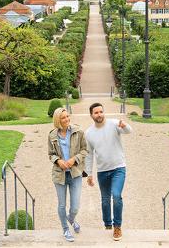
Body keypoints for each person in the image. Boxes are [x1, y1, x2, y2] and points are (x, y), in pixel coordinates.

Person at [85, 102, 132, 241]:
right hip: (102, 171)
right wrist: (89, 173)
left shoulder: (114, 123)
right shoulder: (89, 133)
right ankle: (107, 223)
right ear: (91, 115)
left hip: (118, 168)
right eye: (96, 112)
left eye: (101, 112)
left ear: (103, 112)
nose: (99, 114)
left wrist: (125, 125)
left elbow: (129, 131)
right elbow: (89, 155)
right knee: (105, 200)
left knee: (116, 196)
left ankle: (117, 227)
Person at [48, 107, 88, 242]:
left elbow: (84, 150)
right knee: (61, 205)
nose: (66, 119)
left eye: (67, 116)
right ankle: (65, 229)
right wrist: (58, 161)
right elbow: (50, 155)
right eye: (63, 118)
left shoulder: (78, 132)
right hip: (59, 175)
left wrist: (73, 159)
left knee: (75, 206)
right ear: (57, 120)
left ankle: (71, 219)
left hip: (75, 173)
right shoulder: (52, 135)